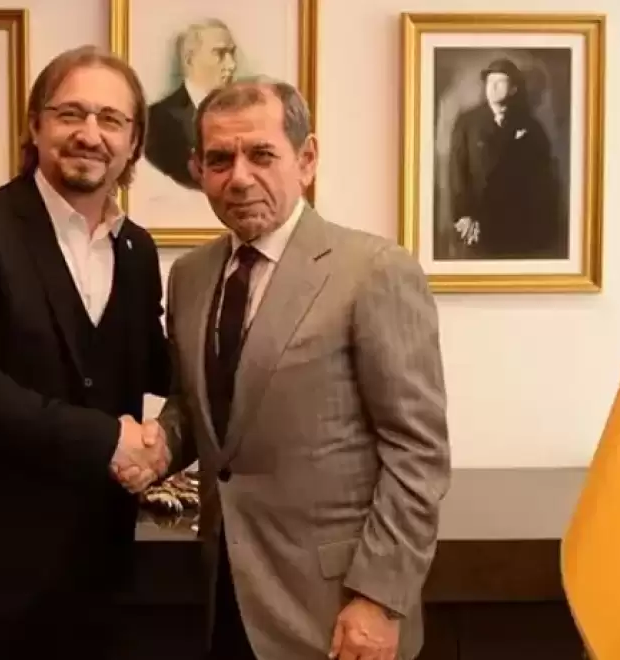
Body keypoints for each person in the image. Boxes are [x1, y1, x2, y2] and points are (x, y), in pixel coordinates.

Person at [139, 77, 451, 660]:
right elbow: (199, 408)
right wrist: (157, 446)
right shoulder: (190, 276)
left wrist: (379, 599)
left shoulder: (375, 270)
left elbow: (417, 452)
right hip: (225, 596)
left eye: (262, 155)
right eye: (219, 159)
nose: (239, 177)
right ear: (197, 169)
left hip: (338, 611)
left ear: (306, 160)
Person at [0, 45, 173, 660]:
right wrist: (111, 439)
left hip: (93, 574)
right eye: (70, 113)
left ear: (134, 143)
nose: (89, 134)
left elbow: (154, 363)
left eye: (111, 119)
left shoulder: (138, 250)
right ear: (35, 125)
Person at [447, 57, 564, 260]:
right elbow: (457, 171)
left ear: (513, 89)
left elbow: (542, 178)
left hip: (518, 225)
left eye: (500, 82)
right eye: (490, 82)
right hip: (478, 224)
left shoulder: (531, 127)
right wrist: (464, 214)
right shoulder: (467, 123)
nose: (493, 87)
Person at [144, 19, 238, 188]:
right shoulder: (157, 119)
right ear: (189, 60)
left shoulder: (239, 114)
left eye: (232, 53)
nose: (231, 65)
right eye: (220, 53)